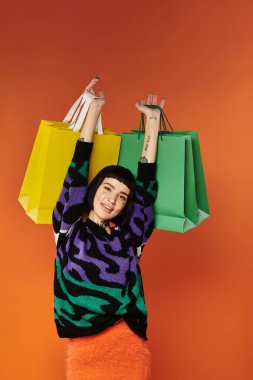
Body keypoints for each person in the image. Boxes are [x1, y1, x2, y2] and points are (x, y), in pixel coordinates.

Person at [52, 77, 165, 380]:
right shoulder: (68, 227)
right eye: (108, 188)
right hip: (82, 349)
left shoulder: (128, 238)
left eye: (121, 196)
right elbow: (76, 169)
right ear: (94, 189)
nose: (112, 199)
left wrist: (152, 124)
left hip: (126, 341)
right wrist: (94, 110)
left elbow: (145, 189)